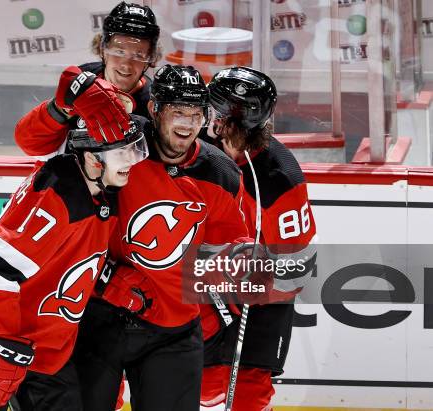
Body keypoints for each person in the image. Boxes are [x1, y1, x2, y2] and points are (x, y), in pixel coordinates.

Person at [17, 63, 250, 411]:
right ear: (154, 109)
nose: (186, 124)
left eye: (195, 114)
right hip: (98, 318)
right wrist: (63, 102)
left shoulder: (222, 174)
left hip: (173, 330)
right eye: (176, 112)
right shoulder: (118, 142)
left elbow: (225, 249)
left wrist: (225, 282)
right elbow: (73, 208)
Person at [0, 116, 149, 411]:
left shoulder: (101, 195)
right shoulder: (59, 197)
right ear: (93, 158)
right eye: (121, 152)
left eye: (133, 149)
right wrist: (4, 346)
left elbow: (69, 262)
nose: (132, 160)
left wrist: (110, 283)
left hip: (46, 354)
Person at [198, 66, 318, 410]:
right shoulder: (194, 148)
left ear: (226, 121)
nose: (208, 122)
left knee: (249, 391)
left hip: (259, 298)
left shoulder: (280, 177)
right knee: (205, 388)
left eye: (215, 114)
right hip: (204, 289)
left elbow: (296, 268)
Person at [16, 1, 161, 158]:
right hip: (72, 178)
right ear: (102, 50)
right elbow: (30, 144)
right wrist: (60, 108)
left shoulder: (155, 103)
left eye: (138, 55)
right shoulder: (82, 78)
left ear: (151, 59)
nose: (126, 65)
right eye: (119, 51)